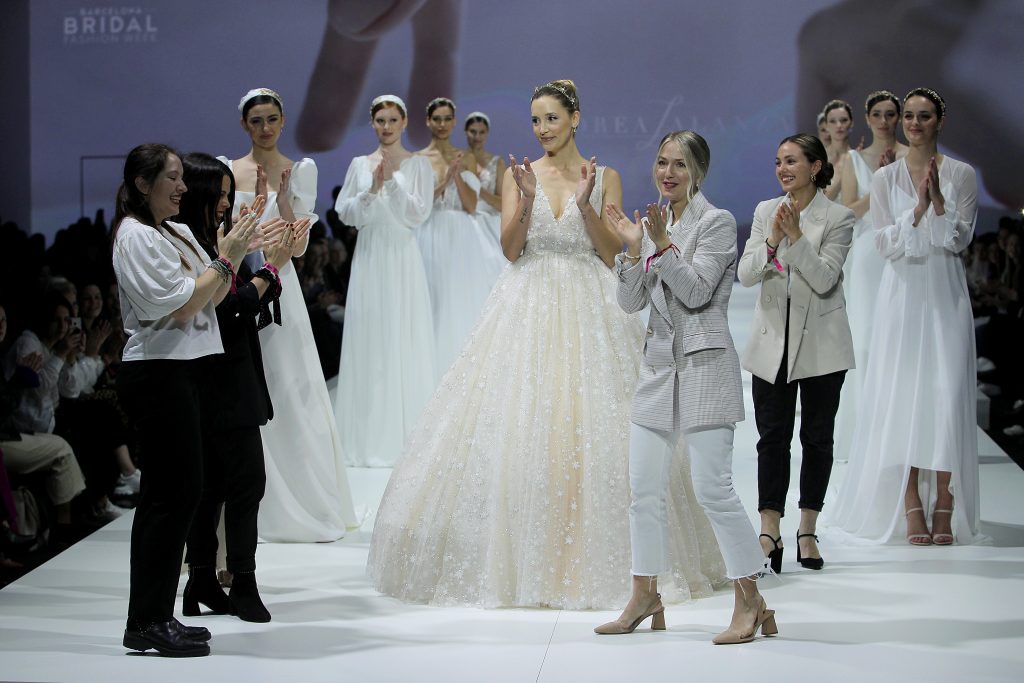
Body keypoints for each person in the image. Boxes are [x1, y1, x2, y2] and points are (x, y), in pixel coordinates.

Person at [367, 80, 725, 609]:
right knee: (524, 420)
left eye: (552, 119)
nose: (542, 129)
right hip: (527, 303)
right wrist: (528, 202)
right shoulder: (520, 176)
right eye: (535, 120)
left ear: (575, 118)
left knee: (593, 424)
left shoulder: (605, 177)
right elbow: (511, 250)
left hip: (592, 305)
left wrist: (585, 206)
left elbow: (611, 254)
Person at [597, 131, 774, 643]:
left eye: (678, 164)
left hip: (704, 365)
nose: (666, 173)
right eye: (660, 162)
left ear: (698, 171)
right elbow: (631, 303)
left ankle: (752, 599)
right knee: (643, 490)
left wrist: (661, 245)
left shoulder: (715, 223)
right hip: (658, 371)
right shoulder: (657, 221)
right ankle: (644, 593)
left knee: (711, 489)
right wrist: (633, 250)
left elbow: (696, 293)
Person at [112, 143, 258, 656]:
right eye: (171, 178)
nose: (181, 187)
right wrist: (225, 256)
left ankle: (154, 615)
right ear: (141, 185)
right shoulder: (136, 237)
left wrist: (234, 251)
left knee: (181, 493)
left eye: (180, 177)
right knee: (168, 497)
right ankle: (147, 619)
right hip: (157, 372)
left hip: (184, 371)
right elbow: (182, 306)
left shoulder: (171, 231)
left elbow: (211, 295)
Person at [828, 88, 982, 545]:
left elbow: (960, 240)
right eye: (909, 115)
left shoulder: (962, 174)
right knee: (905, 395)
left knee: (947, 394)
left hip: (946, 292)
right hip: (902, 295)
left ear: (940, 121)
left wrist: (937, 203)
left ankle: (946, 501)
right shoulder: (886, 178)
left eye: (924, 116)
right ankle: (911, 499)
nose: (914, 123)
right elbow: (884, 244)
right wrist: (916, 210)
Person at [220, 87, 357, 541]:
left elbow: (298, 246)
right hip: (236, 283)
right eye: (256, 120)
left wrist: (280, 205)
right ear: (244, 124)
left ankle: (298, 499)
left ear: (282, 120)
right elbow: (219, 231)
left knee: (288, 384)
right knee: (241, 385)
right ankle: (247, 499)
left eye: (271, 119)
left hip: (280, 284)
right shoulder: (228, 170)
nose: (264, 128)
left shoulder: (300, 170)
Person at [177, 153, 292, 623]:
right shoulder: (196, 247)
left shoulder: (215, 242)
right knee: (244, 485)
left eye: (229, 193)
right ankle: (240, 581)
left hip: (220, 376)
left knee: (216, 488)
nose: (226, 202)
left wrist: (266, 268)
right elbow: (233, 306)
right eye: (219, 194)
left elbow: (245, 300)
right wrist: (272, 270)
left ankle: (202, 579)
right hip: (217, 379)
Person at [737, 134, 855, 573]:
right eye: (778, 161)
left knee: (817, 438)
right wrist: (770, 242)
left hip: (822, 344)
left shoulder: (838, 218)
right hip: (772, 342)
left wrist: (797, 237)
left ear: (815, 166)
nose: (783, 169)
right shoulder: (765, 211)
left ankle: (807, 527)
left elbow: (825, 279)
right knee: (771, 438)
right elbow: (746, 274)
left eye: (791, 161)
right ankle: (769, 529)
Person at [333, 95, 435, 467]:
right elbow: (346, 213)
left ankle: (407, 437)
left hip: (402, 256)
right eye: (381, 121)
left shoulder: (419, 165)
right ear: (373, 124)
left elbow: (418, 213)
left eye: (393, 120)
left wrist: (391, 183)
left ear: (405, 122)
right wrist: (371, 189)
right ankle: (369, 436)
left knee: (401, 336)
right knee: (371, 337)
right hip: (371, 254)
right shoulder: (360, 164)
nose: (387, 127)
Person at [832, 90, 909, 464]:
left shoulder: (913, 157)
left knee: (898, 340)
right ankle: (863, 435)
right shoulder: (853, 160)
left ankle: (899, 434)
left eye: (890, 114)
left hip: (902, 254)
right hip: (866, 254)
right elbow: (847, 212)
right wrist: (880, 180)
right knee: (863, 341)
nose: (883, 120)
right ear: (867, 117)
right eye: (877, 113)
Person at [416, 97, 503, 380]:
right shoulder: (418, 159)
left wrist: (456, 176)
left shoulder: (464, 157)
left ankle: (457, 365)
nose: (442, 124)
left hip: (459, 233)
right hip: (428, 230)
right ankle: (425, 363)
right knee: (430, 294)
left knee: (456, 296)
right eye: (436, 118)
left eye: (447, 119)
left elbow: (471, 205)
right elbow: (419, 206)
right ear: (428, 121)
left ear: (454, 123)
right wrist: (444, 180)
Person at [465, 111, 506, 246]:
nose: (477, 136)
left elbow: (502, 204)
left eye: (482, 132)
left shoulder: (497, 163)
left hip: (490, 225)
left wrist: (477, 188)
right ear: (466, 131)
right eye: (473, 131)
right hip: (464, 221)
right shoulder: (459, 161)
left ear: (487, 133)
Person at [821, 100, 854, 201]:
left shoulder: (857, 159)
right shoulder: (815, 158)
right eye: (832, 121)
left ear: (851, 123)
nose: (839, 125)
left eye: (844, 120)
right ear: (826, 125)